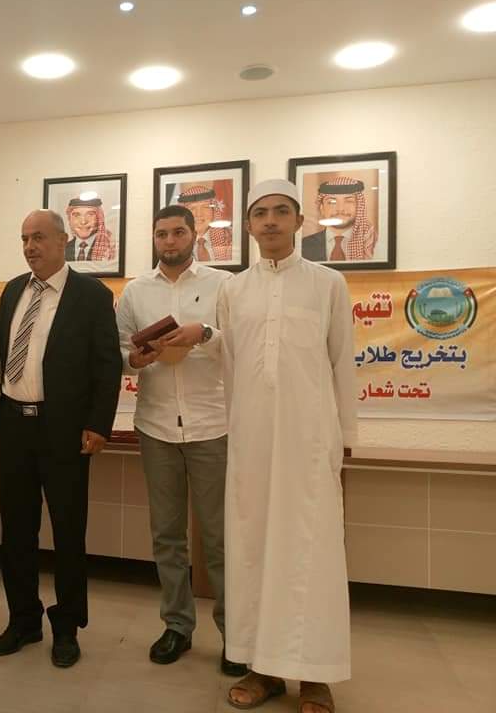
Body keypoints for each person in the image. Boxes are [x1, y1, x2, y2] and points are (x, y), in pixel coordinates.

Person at [217, 179, 357, 713]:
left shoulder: (327, 284)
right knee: (253, 549)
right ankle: (263, 667)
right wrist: (237, 431)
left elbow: (342, 362)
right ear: (248, 226)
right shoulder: (234, 291)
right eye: (260, 213)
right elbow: (231, 369)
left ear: (300, 222)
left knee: (311, 552)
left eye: (281, 212)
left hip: (310, 439)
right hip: (252, 439)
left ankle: (316, 676)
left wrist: (346, 438)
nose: (270, 221)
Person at [116, 205, 246, 676]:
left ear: (194, 234)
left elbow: (239, 340)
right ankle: (177, 626)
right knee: (167, 536)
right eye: (161, 234)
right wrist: (138, 358)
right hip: (155, 427)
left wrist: (203, 333)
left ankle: (236, 635)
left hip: (213, 425)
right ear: (154, 239)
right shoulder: (136, 291)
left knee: (220, 538)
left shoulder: (224, 284)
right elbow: (120, 352)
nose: (169, 241)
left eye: (177, 232)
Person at [0, 209, 121, 668]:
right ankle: (23, 619)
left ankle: (66, 627)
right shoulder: (13, 291)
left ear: (62, 241)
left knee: (67, 532)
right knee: (16, 531)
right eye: (25, 238)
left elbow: (107, 364)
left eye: (39, 237)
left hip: (64, 429)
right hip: (14, 425)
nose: (30, 246)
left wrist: (98, 424)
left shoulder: (92, 295)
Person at [301, 176, 376, 262]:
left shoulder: (371, 243)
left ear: (359, 207)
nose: (340, 209)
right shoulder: (303, 245)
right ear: (322, 208)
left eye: (349, 201)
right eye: (332, 202)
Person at [172, 185, 233, 262]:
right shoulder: (173, 244)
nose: (198, 214)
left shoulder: (230, 239)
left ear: (214, 211)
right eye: (192, 208)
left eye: (205, 207)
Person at [64, 198, 116, 262]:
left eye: (90, 214)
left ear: (99, 218)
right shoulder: (63, 248)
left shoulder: (111, 248)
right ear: (70, 219)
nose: (83, 222)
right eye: (76, 215)